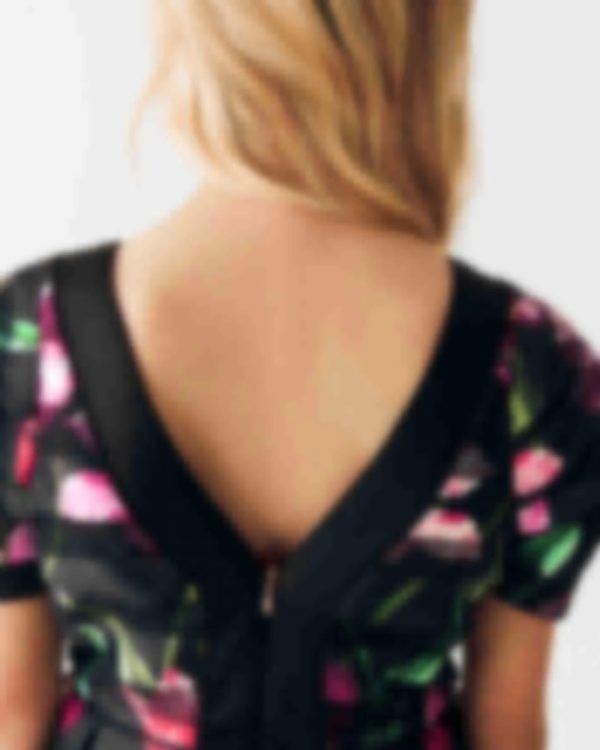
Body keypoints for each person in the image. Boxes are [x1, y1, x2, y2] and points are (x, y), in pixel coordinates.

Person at [1, 2, 599, 749]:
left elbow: (13, 716)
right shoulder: (536, 371)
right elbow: (506, 732)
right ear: (428, 37)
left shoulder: (31, 340)